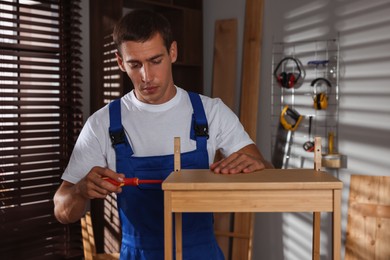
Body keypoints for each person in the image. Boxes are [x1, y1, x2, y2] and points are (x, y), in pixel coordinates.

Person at [54, 9, 273, 260]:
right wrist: (80, 191)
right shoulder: (101, 124)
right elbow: (61, 210)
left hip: (202, 253)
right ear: (119, 62)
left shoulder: (211, 113)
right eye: (135, 64)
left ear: (173, 52)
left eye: (155, 61)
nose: (146, 76)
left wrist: (257, 167)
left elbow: (267, 173)